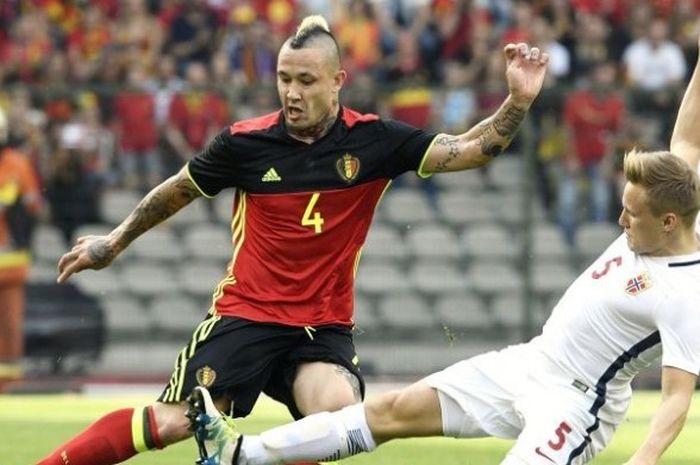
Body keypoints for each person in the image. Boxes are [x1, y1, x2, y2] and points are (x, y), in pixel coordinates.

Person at [37, 15, 549, 465]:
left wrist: (518, 101)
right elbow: (178, 191)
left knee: (333, 418)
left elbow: (470, 149)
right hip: (248, 314)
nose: (292, 92)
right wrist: (113, 243)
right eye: (284, 79)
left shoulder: (374, 141)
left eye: (306, 80)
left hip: (320, 327)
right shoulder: (245, 143)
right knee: (173, 422)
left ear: (337, 82)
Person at [187, 33, 700, 465]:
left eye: (631, 215)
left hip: (576, 405)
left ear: (670, 222)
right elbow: (689, 141)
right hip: (528, 364)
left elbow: (677, 400)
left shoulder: (684, 292)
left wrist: (643, 459)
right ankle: (237, 455)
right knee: (390, 412)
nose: (620, 220)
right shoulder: (671, 195)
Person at [0, 107, 42, 391]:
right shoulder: (16, 163)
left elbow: (34, 207)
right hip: (10, 258)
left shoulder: (17, 164)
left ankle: (10, 384)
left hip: (10, 261)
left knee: (11, 325)